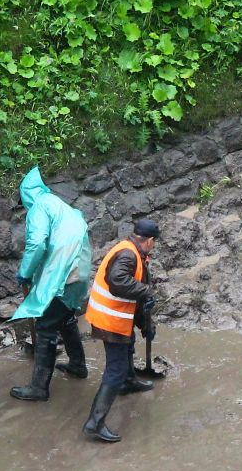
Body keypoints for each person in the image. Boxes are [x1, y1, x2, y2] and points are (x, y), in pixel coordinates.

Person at [8, 168, 93, 403]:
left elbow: (37, 244)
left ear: (26, 195)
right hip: (80, 268)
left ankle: (38, 388)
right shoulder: (58, 204)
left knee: (45, 327)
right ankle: (78, 365)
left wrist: (25, 273)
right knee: (65, 318)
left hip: (65, 272)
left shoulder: (38, 208)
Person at [81, 218, 159, 443]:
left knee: (128, 347)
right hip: (110, 321)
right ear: (150, 240)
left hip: (114, 317)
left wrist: (146, 325)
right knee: (114, 369)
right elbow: (117, 280)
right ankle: (94, 423)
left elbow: (131, 296)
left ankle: (128, 381)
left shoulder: (130, 249)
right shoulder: (128, 255)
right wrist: (145, 290)